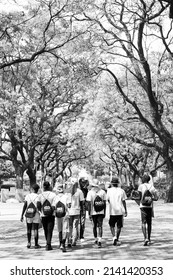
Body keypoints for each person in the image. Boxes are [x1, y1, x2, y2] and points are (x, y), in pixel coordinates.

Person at [138, 174, 158, 246]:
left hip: (142, 206)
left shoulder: (141, 186)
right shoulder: (152, 187)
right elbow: (156, 197)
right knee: (149, 223)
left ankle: (145, 238)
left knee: (143, 222)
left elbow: (140, 197)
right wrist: (151, 199)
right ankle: (149, 238)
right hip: (149, 206)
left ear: (144, 179)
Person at [106, 177, 127, 246]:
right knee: (119, 226)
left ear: (112, 184)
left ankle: (114, 237)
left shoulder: (109, 191)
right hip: (120, 211)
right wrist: (125, 210)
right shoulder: (121, 191)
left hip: (112, 211)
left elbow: (108, 200)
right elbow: (124, 201)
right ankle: (117, 238)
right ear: (118, 183)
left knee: (111, 225)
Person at [86, 179, 106, 248]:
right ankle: (100, 240)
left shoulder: (90, 193)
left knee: (94, 226)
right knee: (100, 226)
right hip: (101, 212)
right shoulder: (103, 192)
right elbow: (104, 203)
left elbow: (89, 204)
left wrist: (89, 214)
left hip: (93, 212)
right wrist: (104, 212)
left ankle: (96, 239)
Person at [20, 183, 41, 249]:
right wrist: (40, 212)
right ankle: (36, 244)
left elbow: (25, 206)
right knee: (35, 229)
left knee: (28, 229)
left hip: (28, 214)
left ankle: (29, 242)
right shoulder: (38, 196)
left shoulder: (27, 196)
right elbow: (38, 205)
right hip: (36, 214)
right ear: (37, 190)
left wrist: (22, 215)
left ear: (32, 189)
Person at [37, 181, 56, 251]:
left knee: (45, 229)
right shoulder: (53, 195)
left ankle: (47, 243)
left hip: (43, 215)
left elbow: (38, 205)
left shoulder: (40, 195)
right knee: (50, 230)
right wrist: (51, 211)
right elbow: (54, 205)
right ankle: (48, 244)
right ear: (49, 186)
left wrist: (41, 211)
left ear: (43, 187)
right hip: (51, 215)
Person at [52, 184, 71, 252]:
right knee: (65, 230)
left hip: (58, 215)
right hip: (65, 215)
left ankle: (60, 244)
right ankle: (63, 244)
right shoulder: (66, 197)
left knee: (59, 230)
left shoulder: (55, 197)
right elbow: (69, 205)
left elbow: (53, 207)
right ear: (63, 190)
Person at [68, 180, 84, 247]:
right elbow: (82, 202)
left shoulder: (67, 191)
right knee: (75, 226)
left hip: (69, 211)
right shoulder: (79, 191)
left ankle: (69, 240)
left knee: (69, 226)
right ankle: (74, 241)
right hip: (77, 211)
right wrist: (82, 210)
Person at [78, 177, 89, 241]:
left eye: (84, 182)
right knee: (79, 222)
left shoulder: (85, 190)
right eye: (83, 182)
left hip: (82, 207)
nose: (84, 184)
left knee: (81, 222)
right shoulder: (79, 190)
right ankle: (78, 235)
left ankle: (81, 235)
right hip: (79, 207)